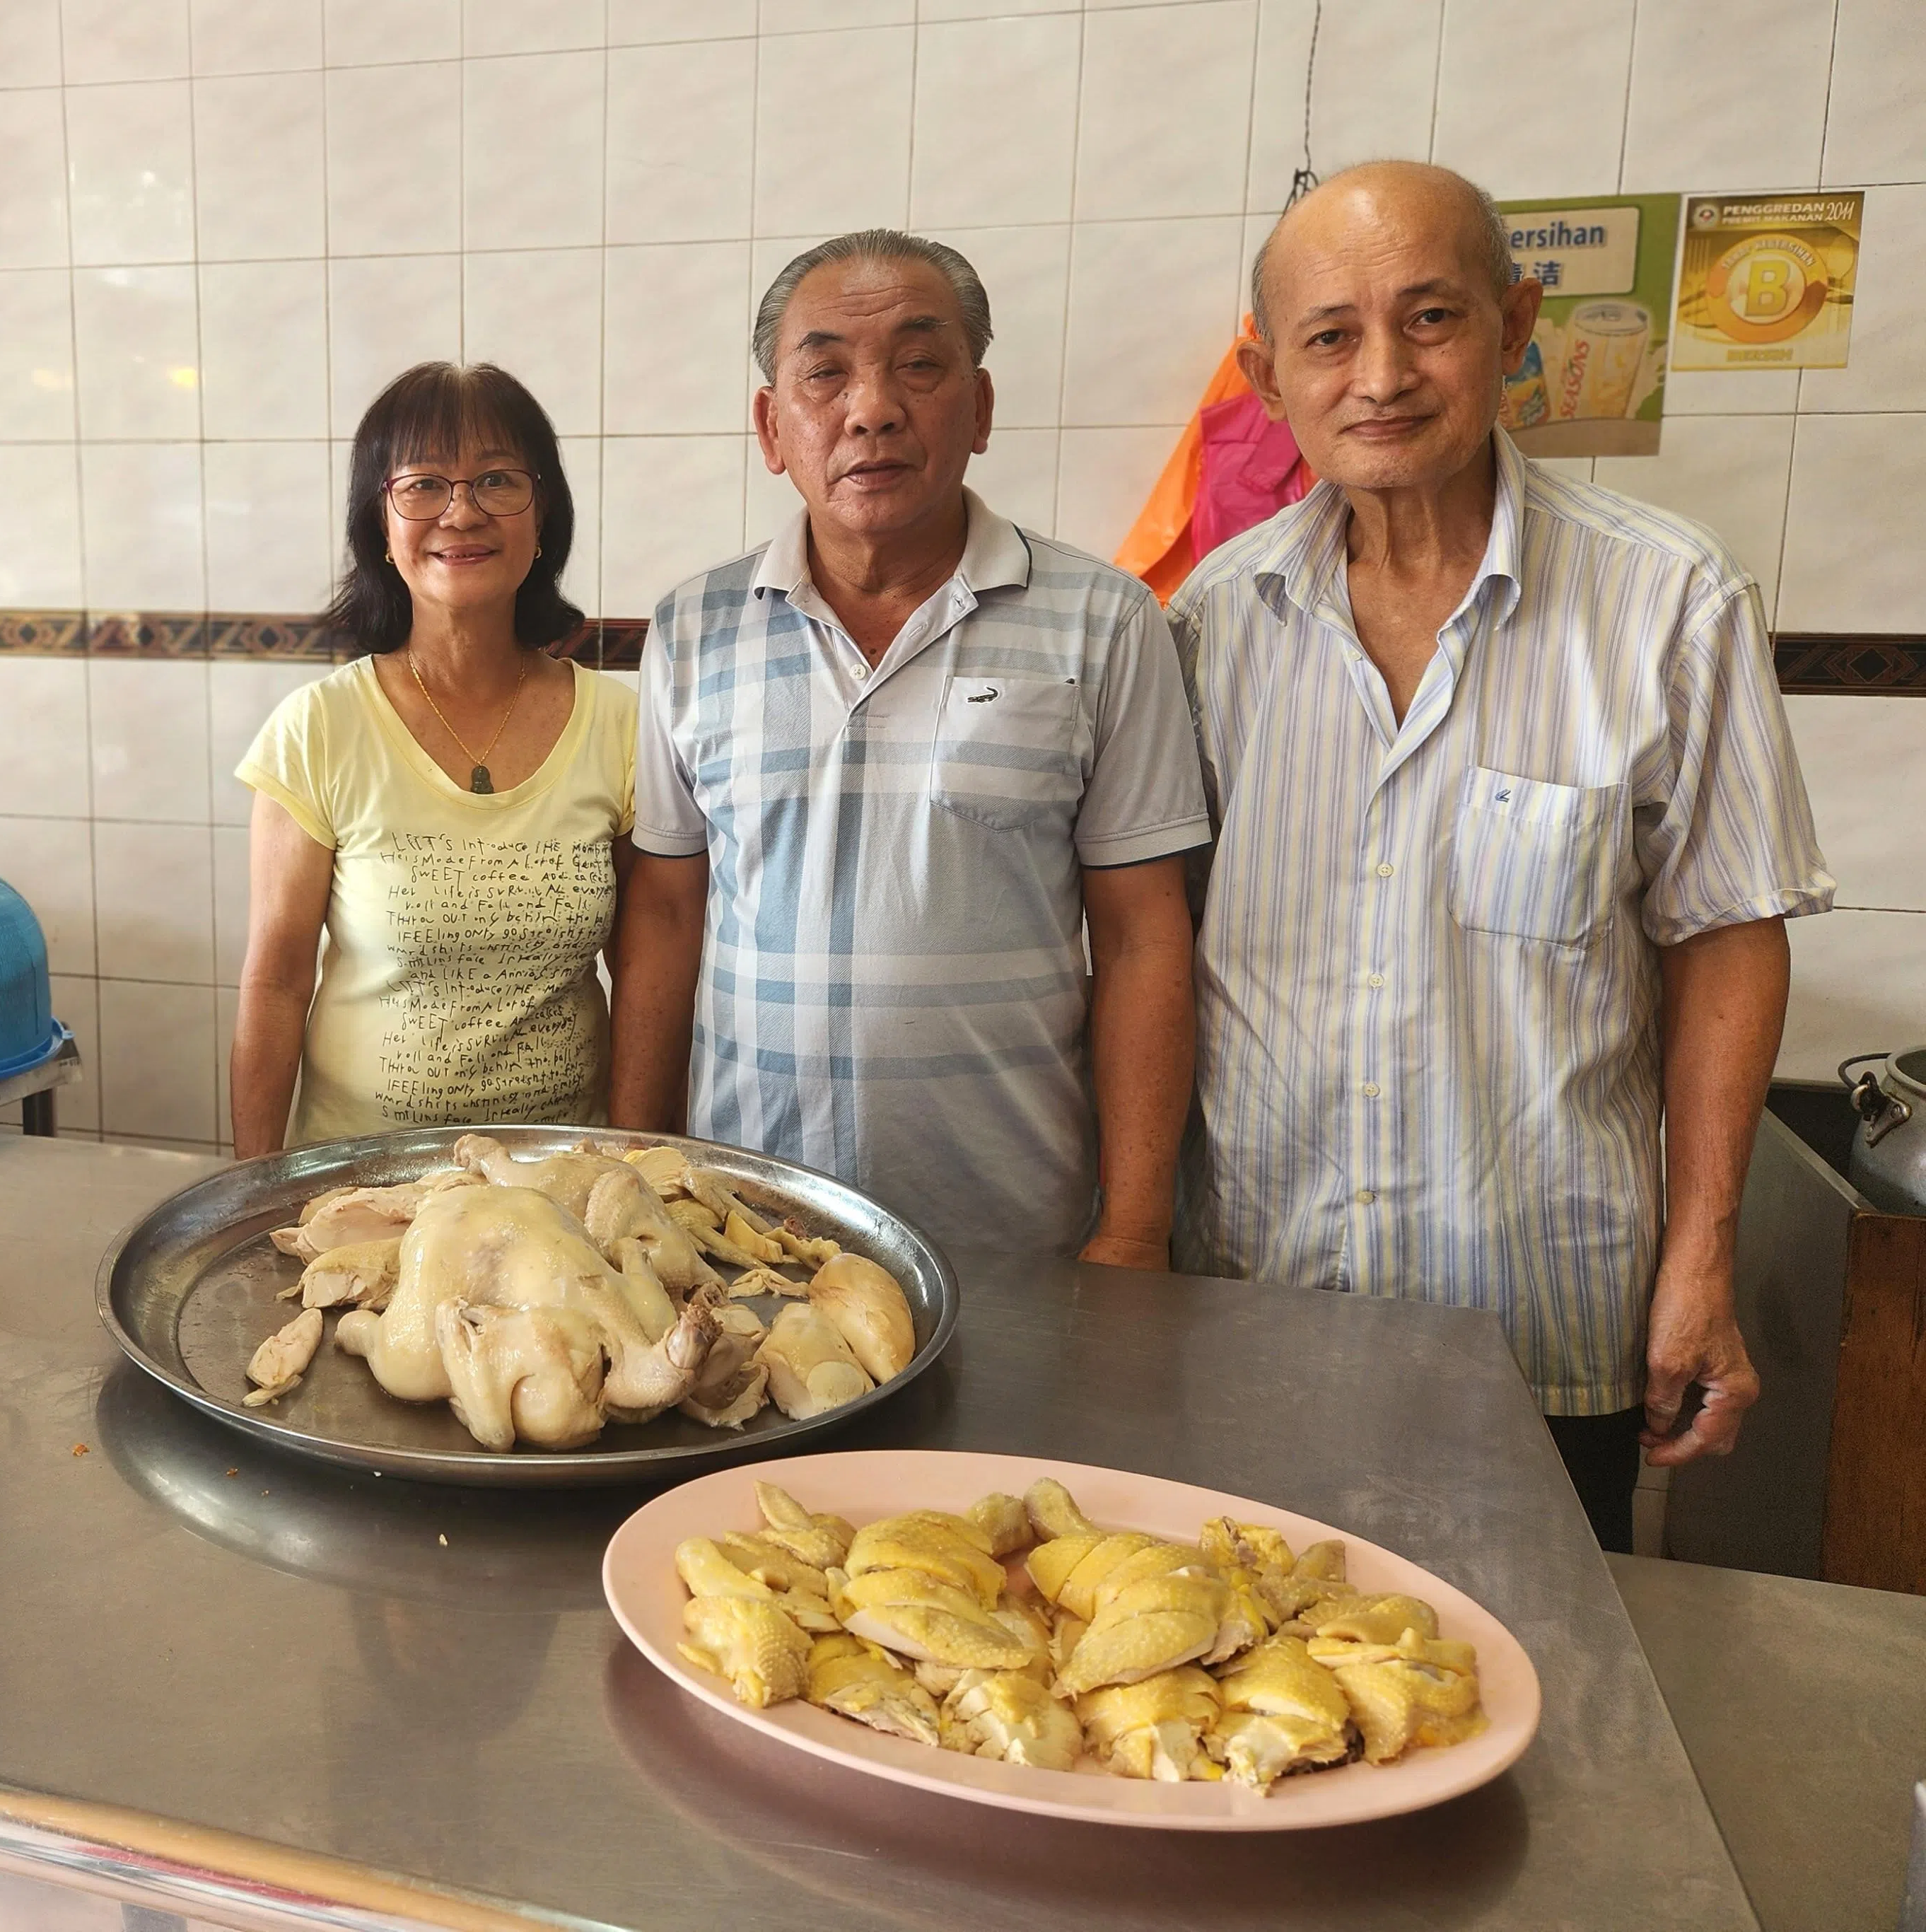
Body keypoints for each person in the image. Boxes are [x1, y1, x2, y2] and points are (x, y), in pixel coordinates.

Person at [1171, 161, 1833, 1551]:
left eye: (1431, 319)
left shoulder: (1665, 599)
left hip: (1537, 1326)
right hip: (1253, 1306)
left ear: (1514, 324)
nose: (1381, 375)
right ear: (1268, 375)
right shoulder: (1211, 623)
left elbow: (1727, 936)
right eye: (1330, 336)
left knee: (1539, 1677)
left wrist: (1702, 1255)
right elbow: (1150, 947)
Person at [609, 231, 1209, 1264]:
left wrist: (1134, 1227)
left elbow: (1143, 937)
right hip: (744, 1230)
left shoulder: (1103, 622)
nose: (873, 408)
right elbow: (666, 912)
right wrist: (634, 1171)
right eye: (825, 373)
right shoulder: (694, 629)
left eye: (919, 365)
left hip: (1015, 1235)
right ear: (772, 426)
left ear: (980, 408)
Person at [229, 361, 636, 1155]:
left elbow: (649, 978)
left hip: (559, 1175)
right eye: (422, 485)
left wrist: (636, 1156)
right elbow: (276, 983)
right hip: (363, 1176)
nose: (462, 512)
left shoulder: (619, 725)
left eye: (497, 480)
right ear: (379, 525)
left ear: (544, 514)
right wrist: (252, 1186)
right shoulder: (318, 728)